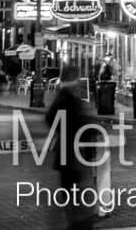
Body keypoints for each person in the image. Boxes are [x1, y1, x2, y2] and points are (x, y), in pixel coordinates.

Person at [45, 64, 96, 230]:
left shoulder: (68, 97)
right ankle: (77, 223)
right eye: (77, 78)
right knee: (75, 195)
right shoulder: (67, 98)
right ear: (73, 79)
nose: (79, 82)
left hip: (71, 155)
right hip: (71, 155)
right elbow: (55, 118)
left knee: (74, 194)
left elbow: (53, 118)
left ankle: (76, 222)